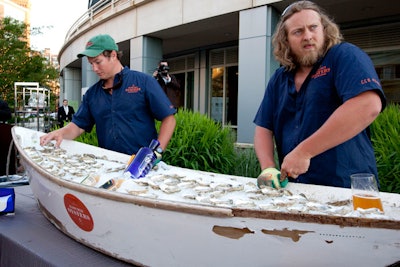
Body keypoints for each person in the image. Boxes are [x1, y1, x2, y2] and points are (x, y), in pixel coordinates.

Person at [253, 1, 386, 188]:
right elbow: (263, 128)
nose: (307, 36)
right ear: (286, 40)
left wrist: (304, 152)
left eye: (313, 28)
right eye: (298, 32)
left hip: (347, 188)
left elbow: (368, 105)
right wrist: (268, 168)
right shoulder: (279, 78)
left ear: (324, 30)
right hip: (295, 189)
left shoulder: (344, 56)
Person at [40, 34, 176, 160]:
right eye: (91, 64)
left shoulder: (144, 82)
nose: (94, 68)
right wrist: (61, 133)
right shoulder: (92, 94)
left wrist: (156, 153)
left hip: (141, 163)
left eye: (98, 62)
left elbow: (169, 119)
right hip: (108, 163)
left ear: (113, 55)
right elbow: (78, 126)